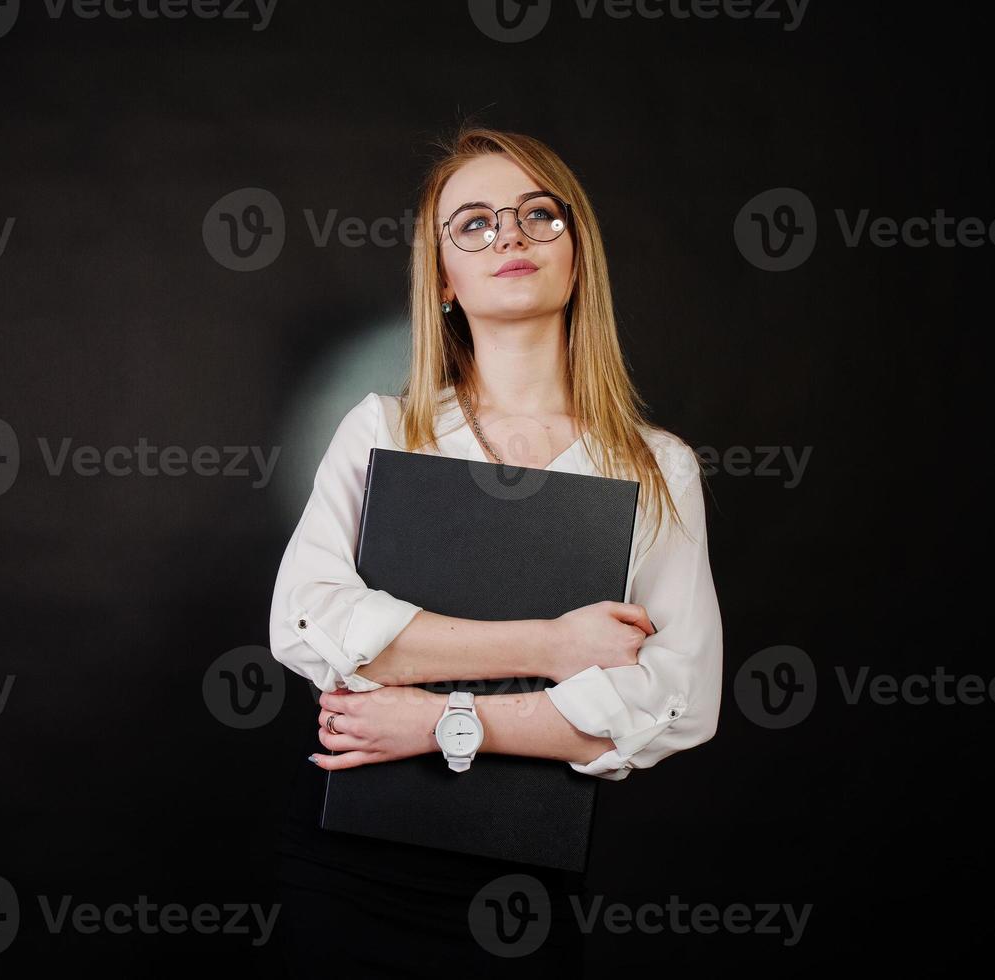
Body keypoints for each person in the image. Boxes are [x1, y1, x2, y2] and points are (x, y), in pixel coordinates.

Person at [265, 123, 725, 977]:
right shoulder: (382, 428)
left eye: (536, 215)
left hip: (521, 874)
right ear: (441, 277)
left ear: (577, 252)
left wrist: (439, 717)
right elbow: (305, 622)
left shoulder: (654, 467)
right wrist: (551, 645)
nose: (508, 234)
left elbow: (676, 700)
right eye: (472, 223)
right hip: (348, 862)